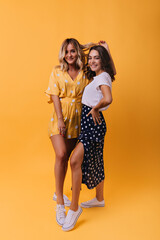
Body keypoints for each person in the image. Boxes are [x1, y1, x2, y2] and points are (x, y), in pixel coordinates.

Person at [62, 44, 116, 231]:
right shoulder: (102, 75)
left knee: (75, 161)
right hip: (91, 125)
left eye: (96, 58)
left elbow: (108, 98)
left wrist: (95, 108)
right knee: (96, 160)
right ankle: (99, 199)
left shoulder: (102, 77)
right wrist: (100, 48)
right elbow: (108, 69)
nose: (91, 61)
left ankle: (74, 208)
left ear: (103, 61)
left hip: (92, 125)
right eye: (90, 57)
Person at [45, 38, 95, 226]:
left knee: (70, 158)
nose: (70, 55)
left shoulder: (85, 71)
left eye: (73, 51)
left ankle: (63, 196)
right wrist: (59, 119)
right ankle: (59, 201)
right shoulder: (57, 70)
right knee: (61, 154)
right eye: (66, 52)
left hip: (79, 120)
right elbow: (54, 95)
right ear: (62, 54)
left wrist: (84, 45)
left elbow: (96, 54)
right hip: (60, 118)